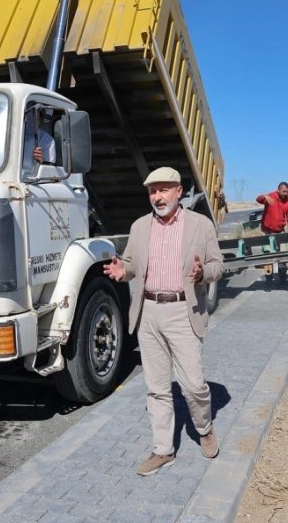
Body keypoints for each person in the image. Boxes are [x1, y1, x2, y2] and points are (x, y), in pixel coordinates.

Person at [103, 166, 224, 476]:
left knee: (194, 385)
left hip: (183, 312)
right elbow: (131, 264)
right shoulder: (140, 226)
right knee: (156, 388)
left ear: (178, 191)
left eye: (163, 190)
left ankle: (205, 428)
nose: (157, 196)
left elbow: (217, 266)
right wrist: (122, 270)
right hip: (148, 312)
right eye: (152, 191)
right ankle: (163, 450)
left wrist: (202, 274)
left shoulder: (200, 225)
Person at [22, 104, 56, 173]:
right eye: (26, 114)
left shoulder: (47, 140)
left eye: (34, 114)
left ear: (40, 118)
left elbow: (49, 173)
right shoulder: (2, 136)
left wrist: (40, 162)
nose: (29, 118)